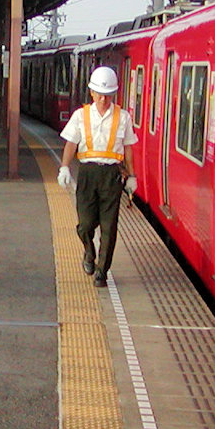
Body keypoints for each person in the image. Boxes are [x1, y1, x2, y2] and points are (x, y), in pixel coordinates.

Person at [58, 66, 139, 287]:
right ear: (92, 93)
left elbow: (128, 148)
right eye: (100, 94)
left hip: (112, 175)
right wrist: (64, 167)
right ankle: (88, 250)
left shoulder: (123, 117)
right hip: (87, 173)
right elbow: (71, 143)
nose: (103, 99)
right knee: (85, 224)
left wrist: (132, 176)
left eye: (108, 95)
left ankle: (102, 271)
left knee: (109, 227)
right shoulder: (80, 116)